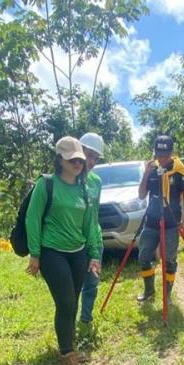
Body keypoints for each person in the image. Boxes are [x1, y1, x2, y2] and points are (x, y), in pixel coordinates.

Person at [26, 136, 102, 365]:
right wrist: (35, 254)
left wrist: (93, 253)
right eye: (72, 160)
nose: (78, 164)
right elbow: (32, 218)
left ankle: (69, 345)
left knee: (74, 300)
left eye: (80, 159)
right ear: (60, 160)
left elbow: (90, 222)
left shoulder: (84, 188)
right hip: (52, 252)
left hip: (78, 252)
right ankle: (67, 353)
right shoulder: (46, 184)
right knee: (66, 302)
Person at [136, 135, 184, 304]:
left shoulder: (179, 170)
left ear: (171, 152)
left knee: (169, 260)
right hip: (151, 222)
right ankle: (149, 291)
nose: (162, 157)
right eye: (159, 153)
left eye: (165, 154)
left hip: (172, 223)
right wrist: (146, 174)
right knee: (144, 256)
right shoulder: (151, 169)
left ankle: (167, 296)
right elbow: (141, 194)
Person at [78, 132, 104, 325]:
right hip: (72, 242)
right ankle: (67, 325)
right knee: (72, 287)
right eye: (89, 155)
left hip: (94, 240)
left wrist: (95, 244)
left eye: (95, 157)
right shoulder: (66, 179)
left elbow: (94, 214)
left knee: (91, 284)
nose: (92, 161)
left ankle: (86, 320)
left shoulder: (96, 181)